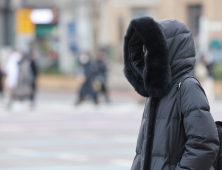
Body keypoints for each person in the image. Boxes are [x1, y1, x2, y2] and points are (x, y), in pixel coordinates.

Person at [123, 17, 219, 170]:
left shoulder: (187, 87)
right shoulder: (156, 92)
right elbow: (144, 151)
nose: (148, 55)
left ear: (169, 51)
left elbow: (204, 145)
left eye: (153, 50)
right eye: (146, 49)